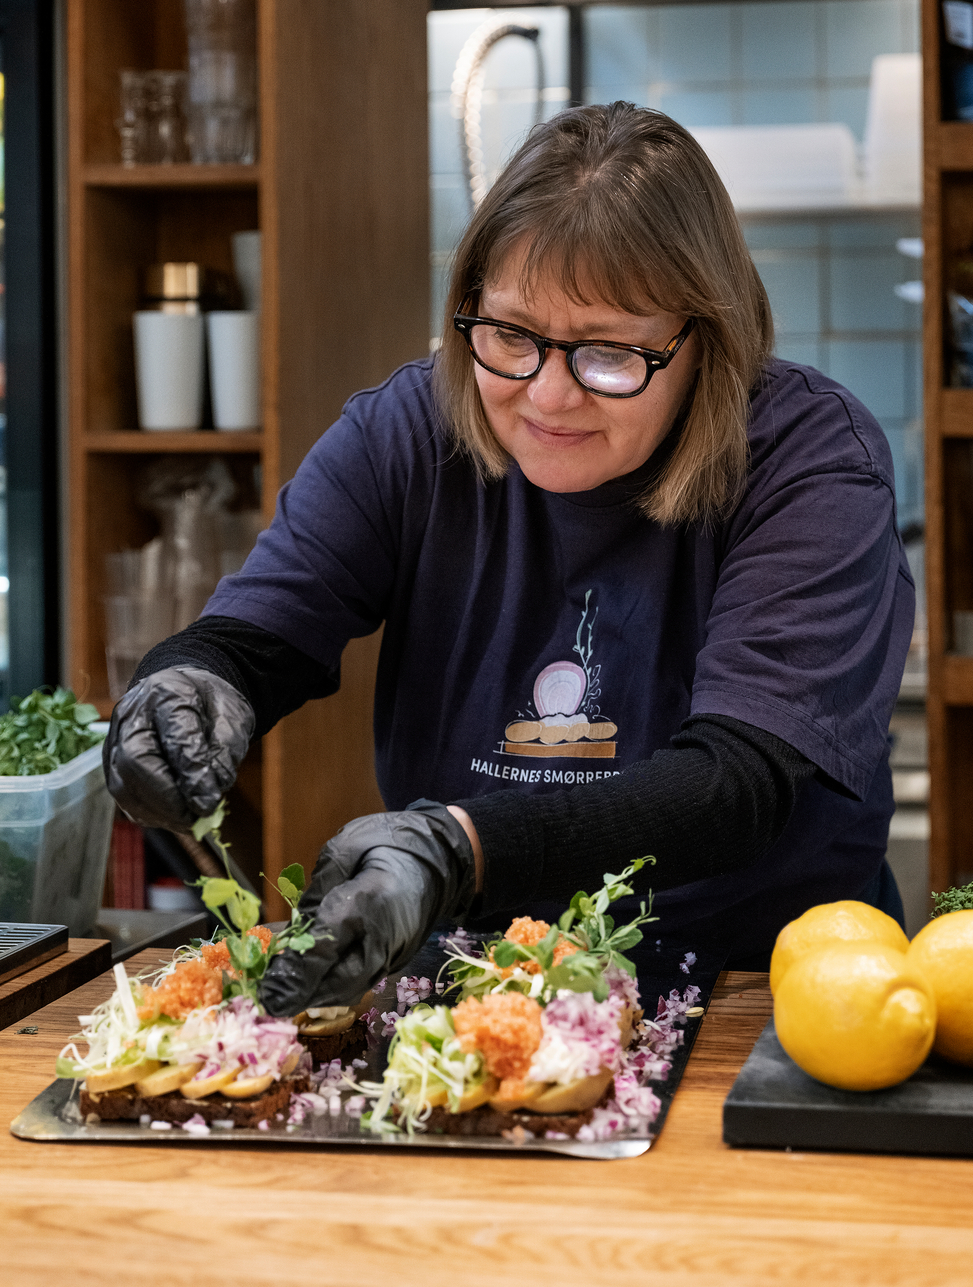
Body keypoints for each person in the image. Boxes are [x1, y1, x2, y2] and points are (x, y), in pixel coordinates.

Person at [104, 102, 914, 1017]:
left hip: (760, 1005)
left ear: (706, 340)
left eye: (609, 351)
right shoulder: (405, 433)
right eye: (513, 336)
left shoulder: (811, 457)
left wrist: (461, 849)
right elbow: (261, 639)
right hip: (477, 1004)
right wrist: (189, 682)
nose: (550, 395)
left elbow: (737, 782)